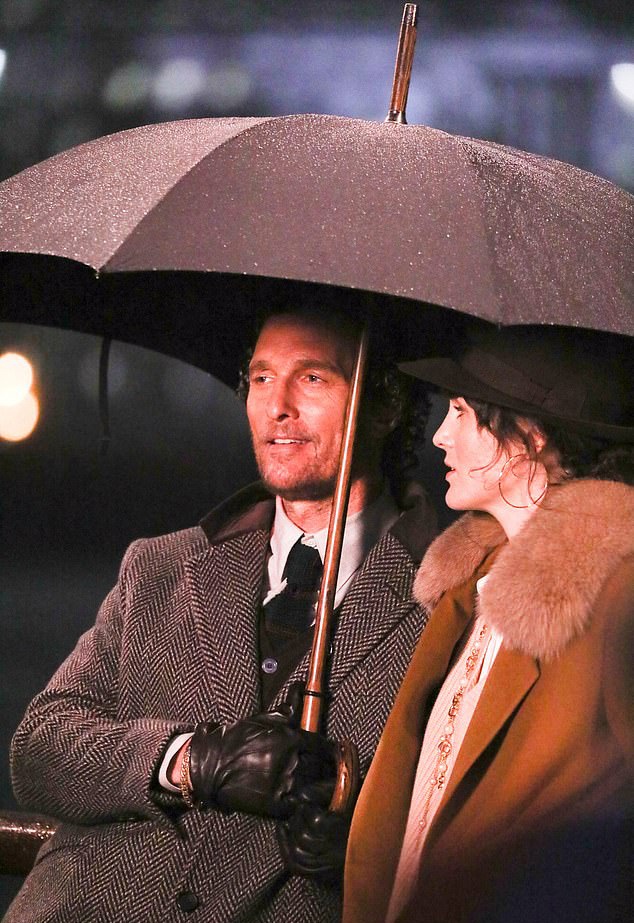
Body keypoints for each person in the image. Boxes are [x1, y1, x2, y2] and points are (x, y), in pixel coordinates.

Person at [6, 305, 437, 923]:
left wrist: (371, 851)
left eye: (312, 378)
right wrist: (188, 759)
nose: (277, 406)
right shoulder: (160, 567)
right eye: (261, 378)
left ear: (386, 405)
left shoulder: (448, 600)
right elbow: (38, 748)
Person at [343, 324, 634, 923]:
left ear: (530, 436)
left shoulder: (618, 598)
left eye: (460, 411)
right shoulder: (467, 590)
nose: (440, 435)